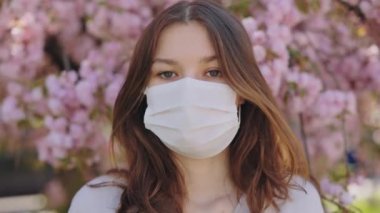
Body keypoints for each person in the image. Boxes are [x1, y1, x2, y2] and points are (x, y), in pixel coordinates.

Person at [69, 0, 325, 212]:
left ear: (242, 89)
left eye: (213, 72)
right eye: (167, 74)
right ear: (143, 91)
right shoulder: (100, 205)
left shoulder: (293, 203)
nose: (188, 91)